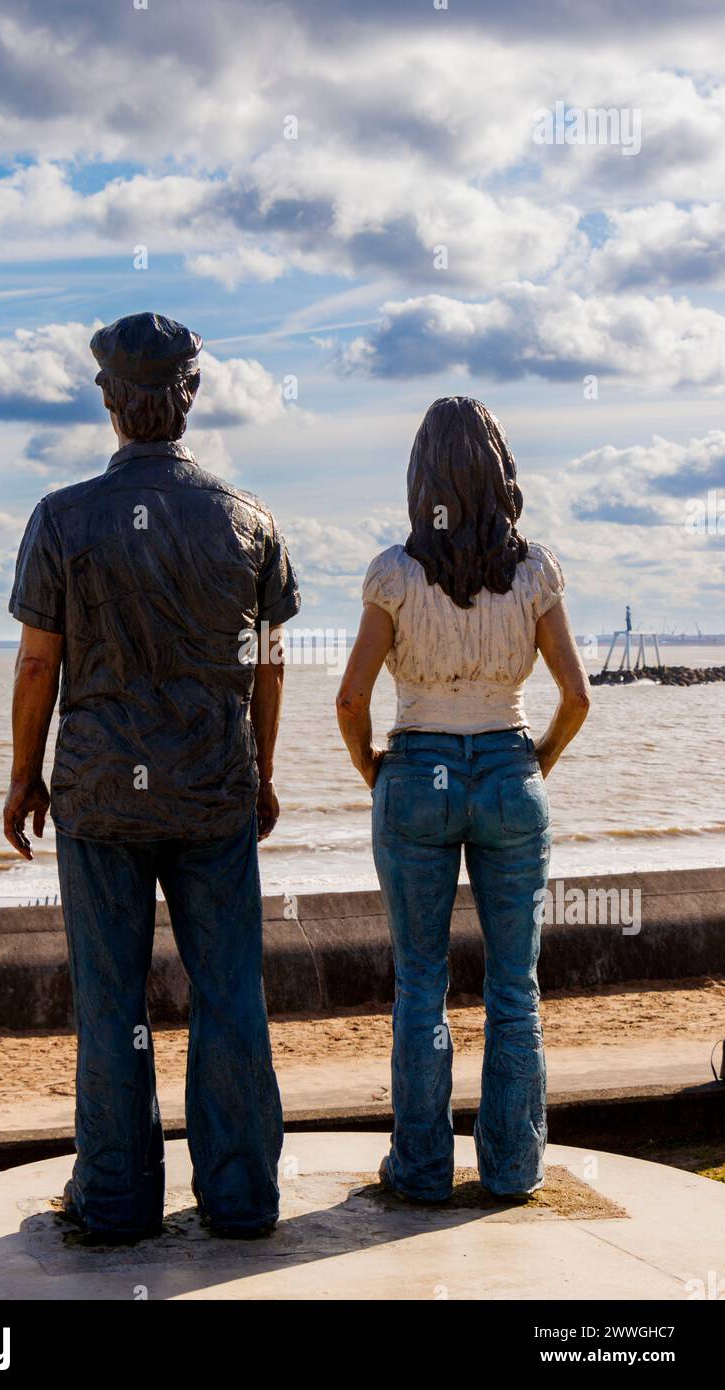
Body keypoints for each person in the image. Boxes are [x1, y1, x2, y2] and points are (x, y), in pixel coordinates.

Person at [4, 312, 300, 1241]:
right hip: (213, 790)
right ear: (192, 394)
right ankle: (243, 1197)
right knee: (230, 997)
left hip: (97, 797)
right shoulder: (248, 521)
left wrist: (23, 776)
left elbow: (38, 666)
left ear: (107, 401)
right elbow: (271, 664)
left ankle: (117, 1199)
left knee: (109, 1000)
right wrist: (261, 774)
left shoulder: (61, 517)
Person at [336, 396, 589, 1201]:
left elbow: (349, 700)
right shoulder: (536, 572)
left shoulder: (396, 573)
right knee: (516, 988)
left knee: (420, 982)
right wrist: (535, 761)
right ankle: (513, 1169)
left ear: (424, 480)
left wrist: (374, 768)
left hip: (417, 771)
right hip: (509, 770)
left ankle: (420, 1170)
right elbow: (577, 695)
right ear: (501, 475)